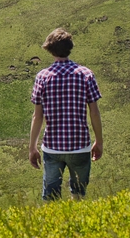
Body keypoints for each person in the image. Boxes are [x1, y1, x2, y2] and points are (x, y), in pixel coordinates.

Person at [29, 28, 103, 201]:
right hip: (80, 145)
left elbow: (37, 116)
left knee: (51, 196)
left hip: (53, 146)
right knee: (78, 194)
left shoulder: (43, 77)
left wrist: (32, 147)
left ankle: (54, 227)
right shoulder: (85, 74)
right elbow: (94, 112)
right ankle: (77, 225)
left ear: (49, 49)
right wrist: (98, 141)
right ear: (70, 48)